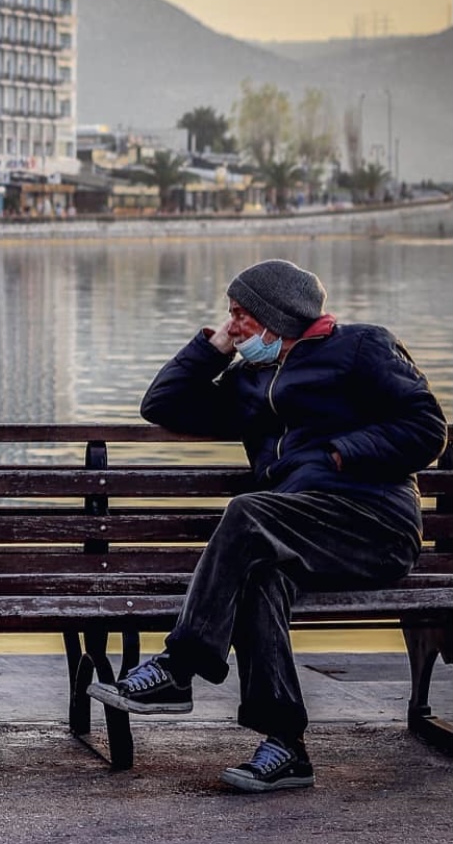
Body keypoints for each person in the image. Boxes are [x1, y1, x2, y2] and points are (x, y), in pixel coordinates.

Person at [87, 258, 447, 793]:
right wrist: (211, 349)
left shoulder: (362, 347)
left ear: (279, 316)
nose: (233, 324)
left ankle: (179, 667)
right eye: (230, 314)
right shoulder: (249, 382)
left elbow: (427, 428)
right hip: (294, 531)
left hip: (374, 526)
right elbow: (161, 404)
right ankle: (285, 746)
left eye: (241, 315)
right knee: (259, 578)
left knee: (248, 510)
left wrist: (342, 454)